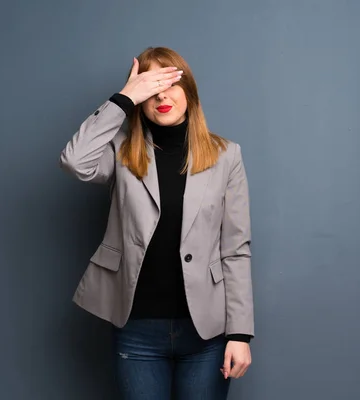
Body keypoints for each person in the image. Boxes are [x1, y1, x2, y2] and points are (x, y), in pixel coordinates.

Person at [59, 46, 254, 399]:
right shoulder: (121, 152)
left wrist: (239, 334)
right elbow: (75, 162)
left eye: (171, 82)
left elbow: (236, 250)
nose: (161, 94)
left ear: (189, 91)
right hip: (137, 329)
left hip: (206, 333)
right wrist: (124, 98)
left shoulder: (227, 156)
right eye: (151, 85)